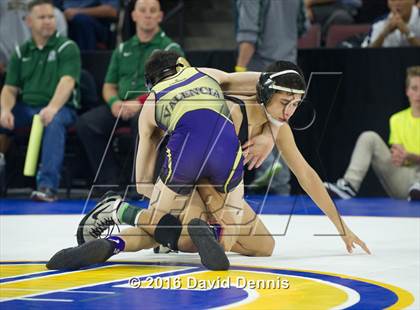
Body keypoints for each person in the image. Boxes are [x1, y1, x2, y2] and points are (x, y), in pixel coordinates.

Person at [47, 54, 370, 271]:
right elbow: (194, 160)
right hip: (186, 174)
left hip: (211, 179)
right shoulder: (227, 105)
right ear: (266, 93)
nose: (289, 112)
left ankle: (129, 238)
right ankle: (131, 227)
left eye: (296, 104)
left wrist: (341, 226)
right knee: (201, 237)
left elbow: (306, 174)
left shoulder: (277, 124)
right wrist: (215, 204)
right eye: (285, 102)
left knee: (263, 246)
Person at [75, 0, 183, 194]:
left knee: (141, 121)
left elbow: (175, 83)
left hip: (154, 106)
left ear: (160, 16)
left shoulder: (170, 47)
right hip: (122, 105)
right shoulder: (123, 48)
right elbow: (109, 85)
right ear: (134, 16)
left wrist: (140, 102)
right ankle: (110, 182)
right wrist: (114, 102)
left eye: (152, 11)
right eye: (143, 10)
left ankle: (139, 184)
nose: (147, 15)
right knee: (87, 123)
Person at [0, 0, 80, 202]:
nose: (47, 21)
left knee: (53, 122)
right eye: (42, 17)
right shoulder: (21, 51)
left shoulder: (67, 47)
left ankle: (47, 187)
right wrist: (5, 110)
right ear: (28, 21)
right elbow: (10, 88)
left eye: (51, 17)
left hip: (62, 108)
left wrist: (52, 108)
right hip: (27, 108)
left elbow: (67, 81)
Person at [235, 0, 308, 195]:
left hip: (262, 66)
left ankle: (268, 167)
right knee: (281, 118)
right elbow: (303, 25)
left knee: (255, 117)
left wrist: (239, 69)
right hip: (288, 65)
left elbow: (249, 35)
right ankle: (280, 181)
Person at [325, 66, 420, 201]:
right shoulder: (397, 119)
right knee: (369, 137)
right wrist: (406, 157)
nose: (418, 94)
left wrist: (410, 156)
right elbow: (399, 158)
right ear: (407, 91)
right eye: (415, 88)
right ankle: (349, 185)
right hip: (404, 179)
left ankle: (418, 188)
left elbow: (407, 156)